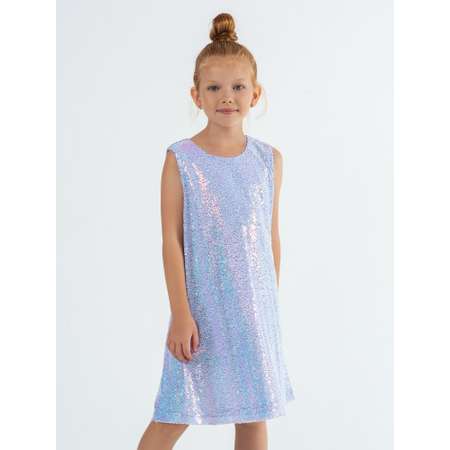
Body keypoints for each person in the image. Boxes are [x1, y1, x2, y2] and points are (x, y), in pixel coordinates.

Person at [137, 12, 295, 450]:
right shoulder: (181, 159)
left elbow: (270, 238)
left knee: (253, 416)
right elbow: (171, 241)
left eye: (238, 87)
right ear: (197, 95)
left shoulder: (269, 161)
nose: (227, 97)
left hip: (253, 314)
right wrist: (180, 313)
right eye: (214, 88)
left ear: (255, 94)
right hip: (201, 314)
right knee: (173, 414)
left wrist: (268, 309)